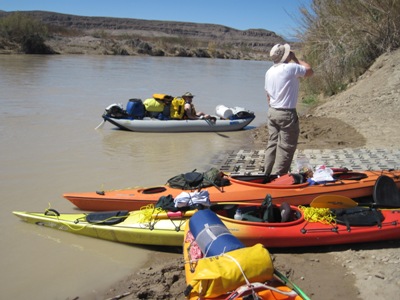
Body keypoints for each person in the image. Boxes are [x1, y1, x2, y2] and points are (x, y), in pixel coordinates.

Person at [264, 43, 313, 176]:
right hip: (286, 113)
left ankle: (267, 174)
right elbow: (309, 71)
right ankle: (278, 178)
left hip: (272, 111)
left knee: (272, 144)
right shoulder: (290, 68)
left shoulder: (269, 71)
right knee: (286, 147)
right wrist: (296, 58)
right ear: (286, 55)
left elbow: (267, 95)